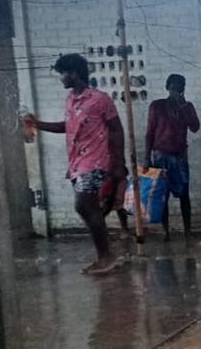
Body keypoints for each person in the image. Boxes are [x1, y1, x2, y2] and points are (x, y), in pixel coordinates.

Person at [23, 53, 128, 275]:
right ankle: (106, 253)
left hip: (96, 161)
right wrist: (38, 125)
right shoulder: (70, 100)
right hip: (77, 162)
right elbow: (68, 127)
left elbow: (117, 130)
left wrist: (119, 163)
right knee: (89, 208)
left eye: (63, 73)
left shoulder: (100, 100)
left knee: (83, 206)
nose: (61, 78)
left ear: (74, 73)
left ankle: (106, 256)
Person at [144, 74, 201, 241]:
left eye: (179, 87)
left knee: (184, 194)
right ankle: (166, 231)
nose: (176, 89)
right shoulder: (157, 106)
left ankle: (188, 230)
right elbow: (149, 133)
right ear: (167, 87)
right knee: (163, 195)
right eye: (173, 86)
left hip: (180, 156)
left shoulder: (187, 107)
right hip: (160, 155)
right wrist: (147, 158)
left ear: (183, 89)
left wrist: (183, 106)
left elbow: (195, 127)